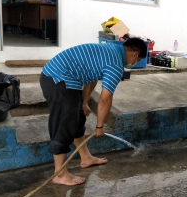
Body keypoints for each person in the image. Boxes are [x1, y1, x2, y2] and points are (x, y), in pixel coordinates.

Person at [40, 38, 147, 186]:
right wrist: (100, 126)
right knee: (64, 125)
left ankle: (86, 158)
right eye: (138, 59)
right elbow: (105, 99)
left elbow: (92, 77)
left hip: (67, 78)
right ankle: (60, 173)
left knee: (77, 120)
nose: (135, 63)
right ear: (135, 55)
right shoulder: (115, 64)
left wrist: (84, 102)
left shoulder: (111, 50)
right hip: (59, 78)